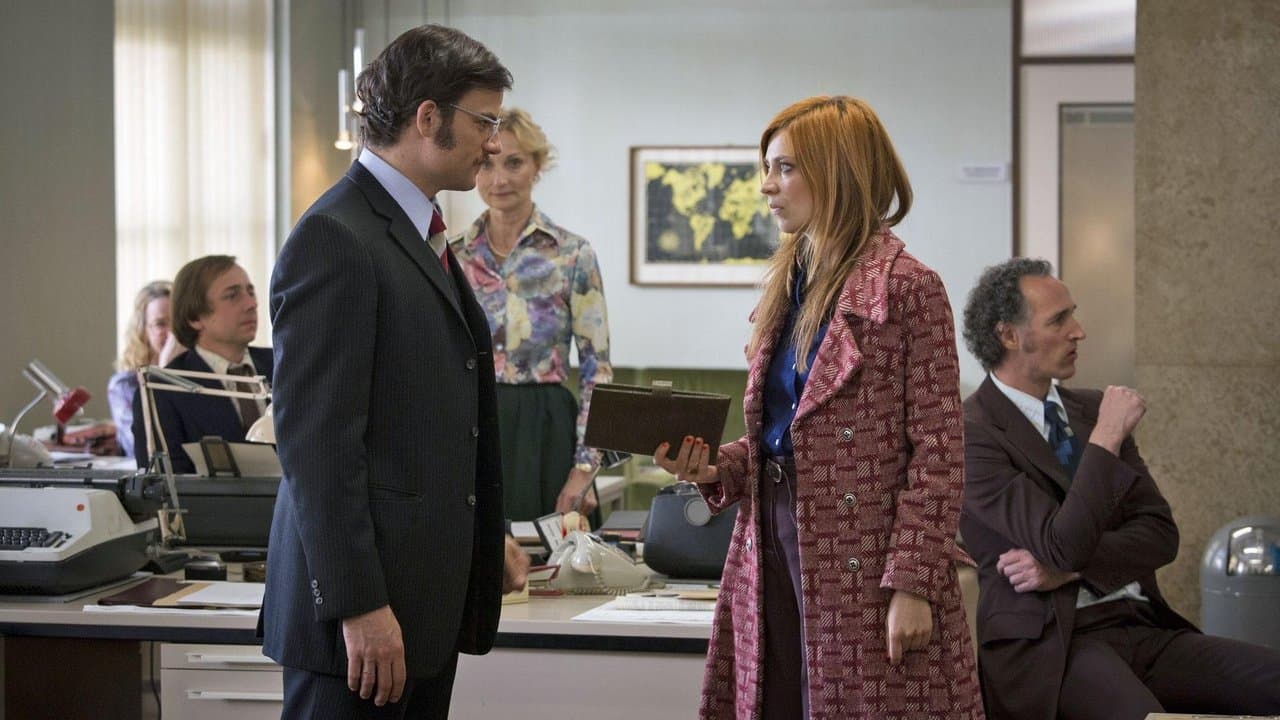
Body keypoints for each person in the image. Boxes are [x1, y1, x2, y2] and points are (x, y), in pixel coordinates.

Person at [655, 96, 982, 719]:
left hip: (867, 556)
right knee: (779, 700)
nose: (766, 186)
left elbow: (939, 453)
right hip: (769, 540)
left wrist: (912, 583)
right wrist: (716, 467)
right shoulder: (789, 282)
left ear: (838, 171)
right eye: (767, 168)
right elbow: (783, 436)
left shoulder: (908, 287)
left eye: (784, 168)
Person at [260, 24, 527, 719]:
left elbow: (432, 416)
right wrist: (359, 606)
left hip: (419, 612)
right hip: (359, 626)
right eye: (484, 122)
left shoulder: (418, 231)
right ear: (428, 117)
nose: (492, 143)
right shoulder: (336, 237)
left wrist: (483, 538)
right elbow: (317, 444)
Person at [959, 257, 1280, 719]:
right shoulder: (972, 432)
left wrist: (1071, 572)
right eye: (1059, 320)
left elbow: (1160, 534)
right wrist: (1107, 436)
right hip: (1055, 648)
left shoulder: (1092, 408)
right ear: (1009, 335)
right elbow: (1062, 544)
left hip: (1141, 624)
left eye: (1073, 315)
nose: (1078, 331)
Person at [451, 107, 613, 521]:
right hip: (469, 425)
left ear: (537, 166)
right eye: (487, 164)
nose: (499, 179)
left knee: (554, 554)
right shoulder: (452, 256)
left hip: (548, 430)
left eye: (514, 163)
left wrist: (585, 468)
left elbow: (597, 370)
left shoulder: (573, 254)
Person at [131, 256, 270, 473]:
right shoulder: (162, 390)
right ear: (194, 317)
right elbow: (164, 484)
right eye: (232, 295)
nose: (251, 304)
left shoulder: (287, 365)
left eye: (250, 292)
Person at [108, 280, 181, 458]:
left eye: (177, 321)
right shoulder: (124, 385)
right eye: (160, 324)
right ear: (143, 330)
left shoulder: (199, 373)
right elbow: (141, 448)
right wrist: (164, 372)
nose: (172, 332)